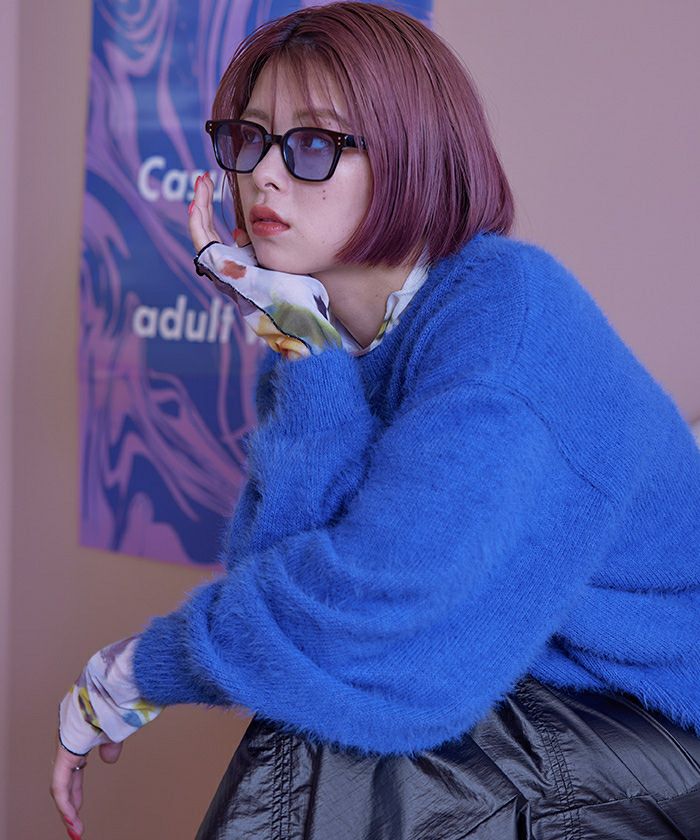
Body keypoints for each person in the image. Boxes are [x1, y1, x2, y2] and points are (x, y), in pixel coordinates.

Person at [51, 2, 700, 838]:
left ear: (411, 156)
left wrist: (136, 671)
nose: (264, 176)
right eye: (248, 139)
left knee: (342, 753)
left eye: (312, 143)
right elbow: (278, 581)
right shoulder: (322, 340)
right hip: (541, 683)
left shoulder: (508, 318)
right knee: (318, 718)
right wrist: (305, 352)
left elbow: (373, 610)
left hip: (658, 713)